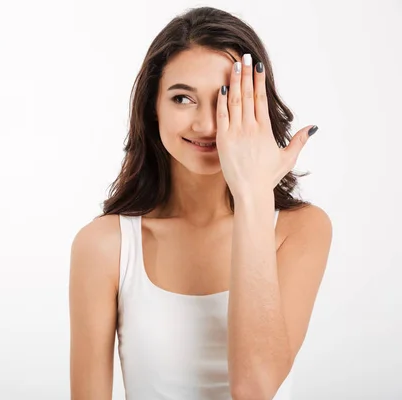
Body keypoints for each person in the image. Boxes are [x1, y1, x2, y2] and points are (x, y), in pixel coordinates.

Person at [69, 6, 332, 400]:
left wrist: (253, 196)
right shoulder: (105, 245)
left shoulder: (301, 229)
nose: (208, 125)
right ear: (152, 108)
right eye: (182, 98)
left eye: (228, 98)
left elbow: (257, 388)